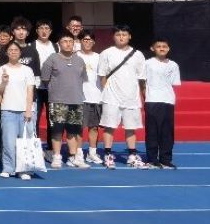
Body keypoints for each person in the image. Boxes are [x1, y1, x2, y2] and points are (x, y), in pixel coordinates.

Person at [96, 25, 148, 168]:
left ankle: (132, 155)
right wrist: (107, 92)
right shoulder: (106, 53)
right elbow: (102, 76)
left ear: (129, 36)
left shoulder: (138, 55)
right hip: (111, 98)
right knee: (109, 127)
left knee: (131, 128)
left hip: (131, 98)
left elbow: (141, 78)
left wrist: (143, 95)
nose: (121, 37)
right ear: (113, 37)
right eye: (118, 34)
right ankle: (107, 154)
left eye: (124, 34)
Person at [41, 31, 90, 169]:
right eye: (65, 41)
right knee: (57, 130)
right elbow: (45, 79)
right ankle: (56, 156)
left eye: (70, 41)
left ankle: (73, 157)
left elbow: (82, 79)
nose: (68, 44)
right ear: (59, 44)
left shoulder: (79, 60)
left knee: (73, 131)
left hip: (76, 100)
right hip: (57, 101)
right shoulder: (52, 59)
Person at [0, 41, 38, 179]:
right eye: (10, 50)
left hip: (25, 110)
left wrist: (28, 110)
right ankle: (8, 168)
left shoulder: (27, 70)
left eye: (16, 50)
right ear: (7, 52)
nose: (13, 52)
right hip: (8, 110)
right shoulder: (1, 69)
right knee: (8, 141)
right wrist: (4, 82)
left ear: (20, 53)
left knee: (25, 141)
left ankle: (24, 169)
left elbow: (30, 91)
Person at [143, 38, 181, 169]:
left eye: (164, 46)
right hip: (152, 100)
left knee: (167, 132)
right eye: (158, 46)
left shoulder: (173, 65)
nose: (161, 48)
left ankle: (165, 159)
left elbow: (174, 83)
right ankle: (152, 159)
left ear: (168, 49)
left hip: (168, 101)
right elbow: (142, 82)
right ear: (152, 48)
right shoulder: (147, 63)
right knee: (152, 131)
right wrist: (146, 95)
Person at [77, 32, 107, 168]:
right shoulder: (75, 56)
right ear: (80, 41)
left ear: (94, 42)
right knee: (79, 127)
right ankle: (78, 154)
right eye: (85, 39)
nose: (87, 42)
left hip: (96, 97)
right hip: (80, 97)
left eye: (90, 40)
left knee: (94, 127)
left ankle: (92, 153)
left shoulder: (99, 57)